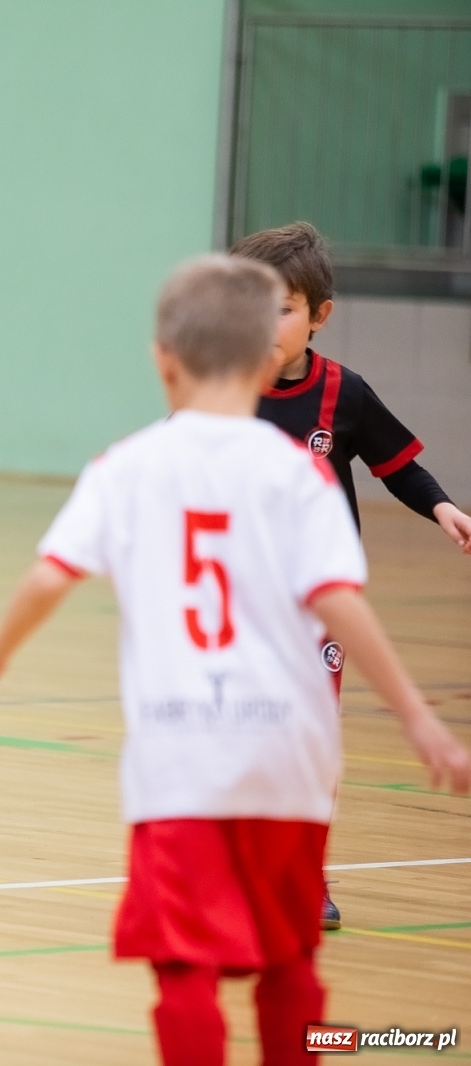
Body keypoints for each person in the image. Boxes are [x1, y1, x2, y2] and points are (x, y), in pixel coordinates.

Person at [0, 255, 469, 1066]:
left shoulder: (127, 465)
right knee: (289, 962)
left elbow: (51, 576)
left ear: (164, 360)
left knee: (184, 969)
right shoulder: (301, 474)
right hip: (289, 760)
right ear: (264, 360)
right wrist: (419, 721)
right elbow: (342, 605)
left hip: (179, 759)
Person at [233, 220, 471, 929]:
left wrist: (443, 507)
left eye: (282, 308)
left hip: (320, 606)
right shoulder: (225, 389)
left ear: (320, 315)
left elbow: (398, 465)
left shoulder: (343, 393)